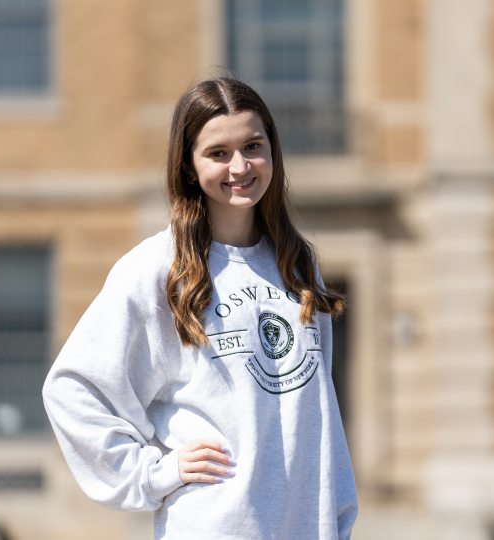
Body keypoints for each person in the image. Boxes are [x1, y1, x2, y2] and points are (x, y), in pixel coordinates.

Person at [42, 77, 358, 539]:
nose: (240, 166)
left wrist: (338, 519)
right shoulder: (157, 268)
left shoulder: (298, 265)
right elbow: (74, 389)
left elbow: (320, 409)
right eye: (218, 153)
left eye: (253, 146)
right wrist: (154, 473)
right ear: (189, 166)